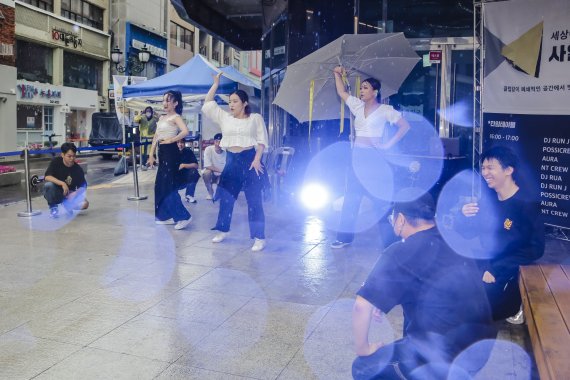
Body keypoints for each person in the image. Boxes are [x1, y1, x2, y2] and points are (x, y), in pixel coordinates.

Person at [352, 193, 496, 379]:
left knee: (363, 367)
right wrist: (381, 298)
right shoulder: (453, 240)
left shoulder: (400, 251)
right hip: (480, 348)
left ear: (401, 219)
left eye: (392, 218)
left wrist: (364, 348)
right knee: (414, 317)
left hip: (444, 356)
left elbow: (360, 306)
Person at [458, 146, 544, 323]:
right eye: (483, 168)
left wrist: (496, 269)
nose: (485, 172)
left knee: (481, 313)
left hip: (509, 266)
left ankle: (516, 303)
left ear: (508, 170)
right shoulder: (487, 199)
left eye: (491, 168)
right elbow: (468, 233)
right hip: (486, 260)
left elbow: (535, 249)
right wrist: (464, 216)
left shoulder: (527, 204)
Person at [330, 66, 411, 249]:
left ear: (375, 92)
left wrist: (387, 144)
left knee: (380, 200)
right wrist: (337, 73)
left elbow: (405, 126)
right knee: (351, 198)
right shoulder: (357, 107)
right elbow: (342, 91)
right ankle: (344, 238)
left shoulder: (385, 110)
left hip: (375, 158)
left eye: (365, 88)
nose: (361, 91)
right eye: (361, 88)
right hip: (357, 156)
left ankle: (390, 242)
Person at [202, 73, 269, 252]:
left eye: (235, 101)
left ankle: (259, 237)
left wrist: (256, 159)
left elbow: (262, 141)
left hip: (250, 160)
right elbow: (208, 105)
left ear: (244, 103)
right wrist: (215, 84)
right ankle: (223, 230)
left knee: (254, 200)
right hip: (231, 161)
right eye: (230, 101)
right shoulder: (225, 118)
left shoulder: (255, 119)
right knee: (226, 198)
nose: (231, 104)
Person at [147, 90, 192, 230]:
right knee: (159, 185)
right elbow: (156, 137)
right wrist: (151, 154)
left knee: (167, 185)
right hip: (162, 151)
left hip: (171, 152)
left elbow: (185, 131)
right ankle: (165, 216)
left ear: (175, 103)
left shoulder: (176, 117)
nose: (165, 103)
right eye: (164, 100)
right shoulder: (161, 118)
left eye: (168, 100)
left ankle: (184, 216)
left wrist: (172, 140)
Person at [43, 142, 89, 218]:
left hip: (69, 195)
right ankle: (53, 208)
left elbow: (83, 186)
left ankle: (68, 206)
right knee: (48, 186)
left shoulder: (77, 169)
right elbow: (47, 177)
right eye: (69, 156)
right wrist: (62, 184)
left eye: (74, 156)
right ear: (63, 155)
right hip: (57, 192)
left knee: (85, 204)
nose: (72, 159)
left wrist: (74, 194)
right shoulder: (56, 162)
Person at [202, 133, 227, 200]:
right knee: (206, 173)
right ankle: (210, 193)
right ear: (214, 141)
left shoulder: (226, 152)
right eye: (216, 142)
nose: (218, 144)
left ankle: (218, 191)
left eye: (220, 142)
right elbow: (207, 165)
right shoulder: (208, 149)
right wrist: (220, 170)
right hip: (212, 173)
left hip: (221, 175)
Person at [176, 139, 200, 203]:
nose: (180, 144)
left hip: (185, 178)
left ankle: (189, 195)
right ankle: (171, 195)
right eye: (177, 142)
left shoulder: (188, 152)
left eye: (182, 142)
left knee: (194, 172)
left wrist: (184, 165)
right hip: (174, 179)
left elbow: (196, 165)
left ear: (184, 143)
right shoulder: (171, 153)